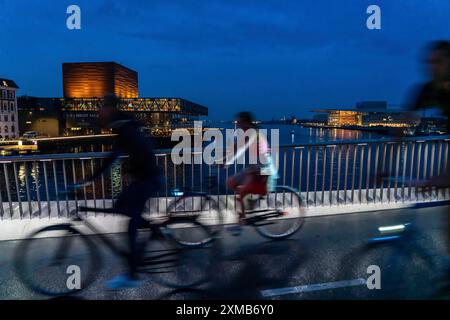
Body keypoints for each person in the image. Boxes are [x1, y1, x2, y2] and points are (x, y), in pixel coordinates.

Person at [77, 94, 163, 289]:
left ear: (111, 109)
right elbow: (132, 152)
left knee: (131, 224)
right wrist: (129, 171)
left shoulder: (124, 127)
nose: (100, 111)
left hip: (148, 179)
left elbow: (113, 157)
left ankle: (132, 274)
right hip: (146, 177)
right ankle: (153, 228)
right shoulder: (124, 125)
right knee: (120, 207)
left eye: (102, 107)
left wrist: (89, 178)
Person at [407, 40, 450, 284]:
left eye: (438, 62)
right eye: (429, 62)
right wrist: (382, 167)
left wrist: (441, 177)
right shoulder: (428, 90)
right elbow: (401, 130)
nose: (431, 67)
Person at [225, 111, 277, 234]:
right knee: (231, 182)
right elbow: (237, 148)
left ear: (246, 122)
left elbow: (239, 147)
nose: (237, 125)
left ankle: (240, 221)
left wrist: (226, 160)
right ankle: (247, 208)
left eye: (239, 123)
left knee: (242, 191)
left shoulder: (253, 132)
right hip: (256, 167)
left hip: (263, 168)